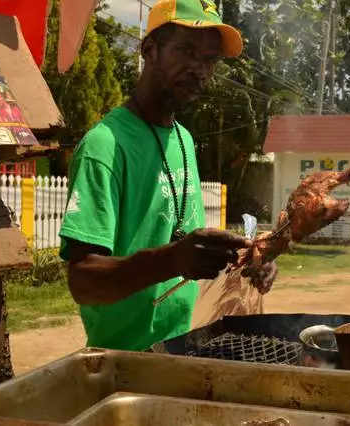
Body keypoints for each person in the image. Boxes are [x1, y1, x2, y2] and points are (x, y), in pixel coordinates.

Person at [58, 0, 278, 353]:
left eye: (209, 60)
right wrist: (172, 259)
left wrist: (249, 262)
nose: (198, 69)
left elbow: (188, 252)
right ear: (149, 49)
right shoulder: (105, 145)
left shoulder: (183, 140)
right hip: (124, 361)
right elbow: (83, 280)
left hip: (182, 348)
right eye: (186, 50)